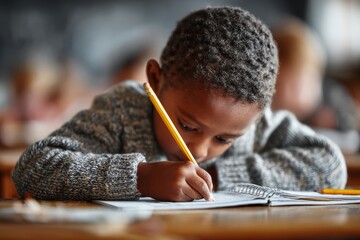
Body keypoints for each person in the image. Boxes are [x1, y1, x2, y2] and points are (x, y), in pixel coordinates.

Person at [12, 6, 347, 202]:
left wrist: (216, 174)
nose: (200, 150)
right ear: (156, 81)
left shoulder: (253, 124)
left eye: (224, 140)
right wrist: (140, 178)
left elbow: (331, 166)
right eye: (188, 126)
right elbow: (33, 168)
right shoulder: (123, 110)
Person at [271, 18, 359, 153]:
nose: (286, 95)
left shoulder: (333, 101)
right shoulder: (267, 118)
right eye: (279, 86)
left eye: (297, 85)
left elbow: (351, 137)